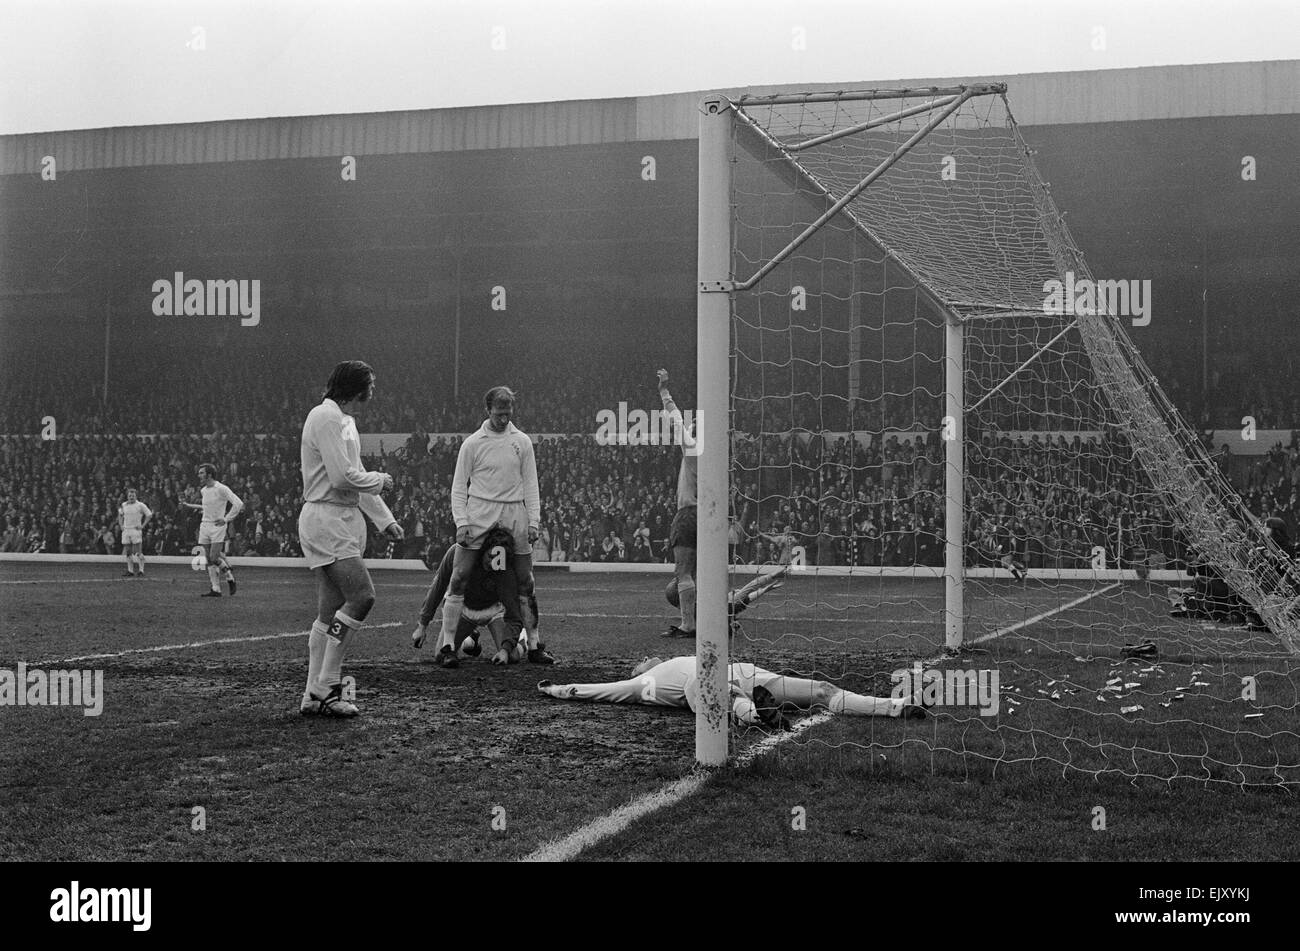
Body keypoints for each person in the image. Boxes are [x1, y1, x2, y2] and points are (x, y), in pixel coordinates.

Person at [297, 360, 404, 717]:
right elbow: (344, 477)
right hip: (328, 518)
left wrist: (384, 519)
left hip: (337, 517)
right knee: (362, 597)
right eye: (371, 384)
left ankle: (313, 695)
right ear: (356, 388)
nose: (374, 391)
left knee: (329, 612)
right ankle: (327, 687)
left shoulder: (344, 422)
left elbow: (351, 474)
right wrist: (380, 479)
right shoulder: (325, 417)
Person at [440, 386, 553, 665]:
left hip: (515, 514)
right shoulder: (473, 444)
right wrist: (461, 522)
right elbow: (458, 486)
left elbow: (531, 484)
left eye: (508, 413)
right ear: (488, 410)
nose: (504, 418)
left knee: (525, 581)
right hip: (480, 514)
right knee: (459, 576)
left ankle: (535, 644)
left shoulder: (522, 442)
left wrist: (534, 520)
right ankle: (446, 647)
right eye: (499, 413)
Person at [538, 652, 924, 727]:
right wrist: (558, 689)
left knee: (821, 690)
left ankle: (895, 706)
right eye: (642, 660)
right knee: (712, 684)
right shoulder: (641, 683)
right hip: (703, 685)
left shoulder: (681, 653)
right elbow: (598, 690)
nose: (647, 659)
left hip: (743, 672)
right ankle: (756, 716)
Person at [411, 524, 528, 667]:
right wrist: (422, 625)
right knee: (441, 655)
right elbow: (438, 587)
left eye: (497, 559)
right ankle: (471, 640)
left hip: (495, 609)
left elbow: (514, 612)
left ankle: (523, 641)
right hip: (463, 609)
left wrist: (505, 649)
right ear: (483, 549)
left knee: (512, 656)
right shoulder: (457, 553)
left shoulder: (505, 568)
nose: (493, 563)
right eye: (490, 557)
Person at [657, 368, 698, 638]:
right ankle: (714, 620)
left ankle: (688, 624)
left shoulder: (694, 450)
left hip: (688, 515)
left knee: (682, 572)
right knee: (703, 574)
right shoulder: (719, 461)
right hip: (709, 517)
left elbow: (675, 420)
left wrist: (664, 391)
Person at [181, 464, 244, 597]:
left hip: (217, 526)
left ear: (209, 475)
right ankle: (215, 589)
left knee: (214, 557)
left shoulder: (221, 488)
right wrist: (189, 505)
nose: (199, 476)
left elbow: (238, 503)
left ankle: (229, 577)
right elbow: (206, 507)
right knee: (208, 559)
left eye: (201, 473)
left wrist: (226, 519)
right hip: (205, 525)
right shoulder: (204, 490)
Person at [117, 488, 152, 578]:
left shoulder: (140, 505)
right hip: (126, 530)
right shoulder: (123, 505)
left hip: (135, 530)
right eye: (130, 495)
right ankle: (130, 571)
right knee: (128, 552)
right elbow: (120, 515)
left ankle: (141, 570)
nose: (131, 497)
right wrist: (121, 525)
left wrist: (143, 525)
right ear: (127, 496)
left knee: (137, 552)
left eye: (133, 495)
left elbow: (149, 515)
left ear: (136, 496)